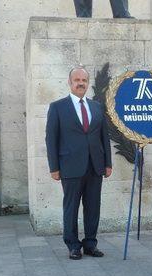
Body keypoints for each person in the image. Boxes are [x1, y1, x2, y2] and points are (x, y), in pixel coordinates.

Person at [46, 66, 113, 260]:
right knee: (71, 207)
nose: (80, 83)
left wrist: (107, 163)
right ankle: (73, 245)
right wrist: (54, 167)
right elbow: (51, 139)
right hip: (70, 167)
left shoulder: (96, 107)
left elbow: (104, 137)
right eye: (77, 80)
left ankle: (90, 244)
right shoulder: (58, 107)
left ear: (87, 82)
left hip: (95, 166)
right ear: (70, 82)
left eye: (84, 80)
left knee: (93, 207)